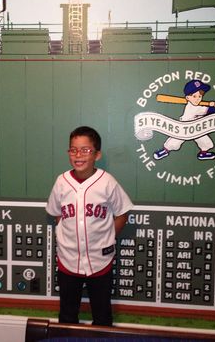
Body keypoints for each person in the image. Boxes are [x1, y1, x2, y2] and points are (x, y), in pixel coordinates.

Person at [46, 126, 134, 326]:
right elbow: (56, 213)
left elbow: (122, 213)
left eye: (85, 150)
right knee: (67, 315)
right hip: (68, 259)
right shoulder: (62, 181)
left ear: (97, 154)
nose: (78, 155)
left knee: (102, 316)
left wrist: (109, 237)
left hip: (99, 260)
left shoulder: (107, 182)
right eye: (73, 150)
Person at [153, 79, 215, 161]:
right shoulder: (192, 107)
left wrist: (213, 106)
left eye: (200, 96)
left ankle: (203, 153)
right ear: (187, 98)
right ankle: (165, 150)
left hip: (196, 127)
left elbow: (205, 110)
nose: (198, 99)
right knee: (176, 140)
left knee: (204, 140)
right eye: (194, 96)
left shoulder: (196, 106)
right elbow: (207, 111)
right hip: (185, 127)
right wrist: (214, 107)